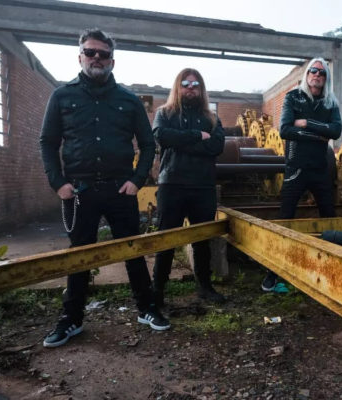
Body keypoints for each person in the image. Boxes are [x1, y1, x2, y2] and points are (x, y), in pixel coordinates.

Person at [40, 29, 169, 348]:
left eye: (104, 54)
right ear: (80, 56)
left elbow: (148, 144)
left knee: (132, 249)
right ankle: (71, 319)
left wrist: (137, 180)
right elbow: (48, 142)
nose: (97, 58)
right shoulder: (62, 96)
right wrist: (58, 183)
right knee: (80, 255)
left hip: (120, 190)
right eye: (91, 52)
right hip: (79, 192)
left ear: (112, 60)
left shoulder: (128, 100)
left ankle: (147, 308)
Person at [261, 57, 342, 292]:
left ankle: (333, 271)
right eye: (313, 71)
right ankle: (272, 274)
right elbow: (285, 130)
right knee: (285, 220)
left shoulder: (330, 102)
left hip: (320, 169)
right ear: (307, 75)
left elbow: (336, 131)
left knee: (329, 218)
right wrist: (319, 135)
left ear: (326, 78)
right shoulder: (293, 97)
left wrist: (306, 123)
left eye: (322, 72)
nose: (317, 75)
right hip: (295, 169)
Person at [151, 68, 226, 305]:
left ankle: (204, 286)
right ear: (178, 86)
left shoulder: (211, 118)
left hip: (202, 186)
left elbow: (216, 146)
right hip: (172, 183)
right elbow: (161, 136)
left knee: (202, 239)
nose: (190, 88)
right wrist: (197, 135)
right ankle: (157, 289)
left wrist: (180, 141)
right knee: (167, 239)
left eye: (195, 84)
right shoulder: (164, 113)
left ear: (201, 89)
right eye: (185, 84)